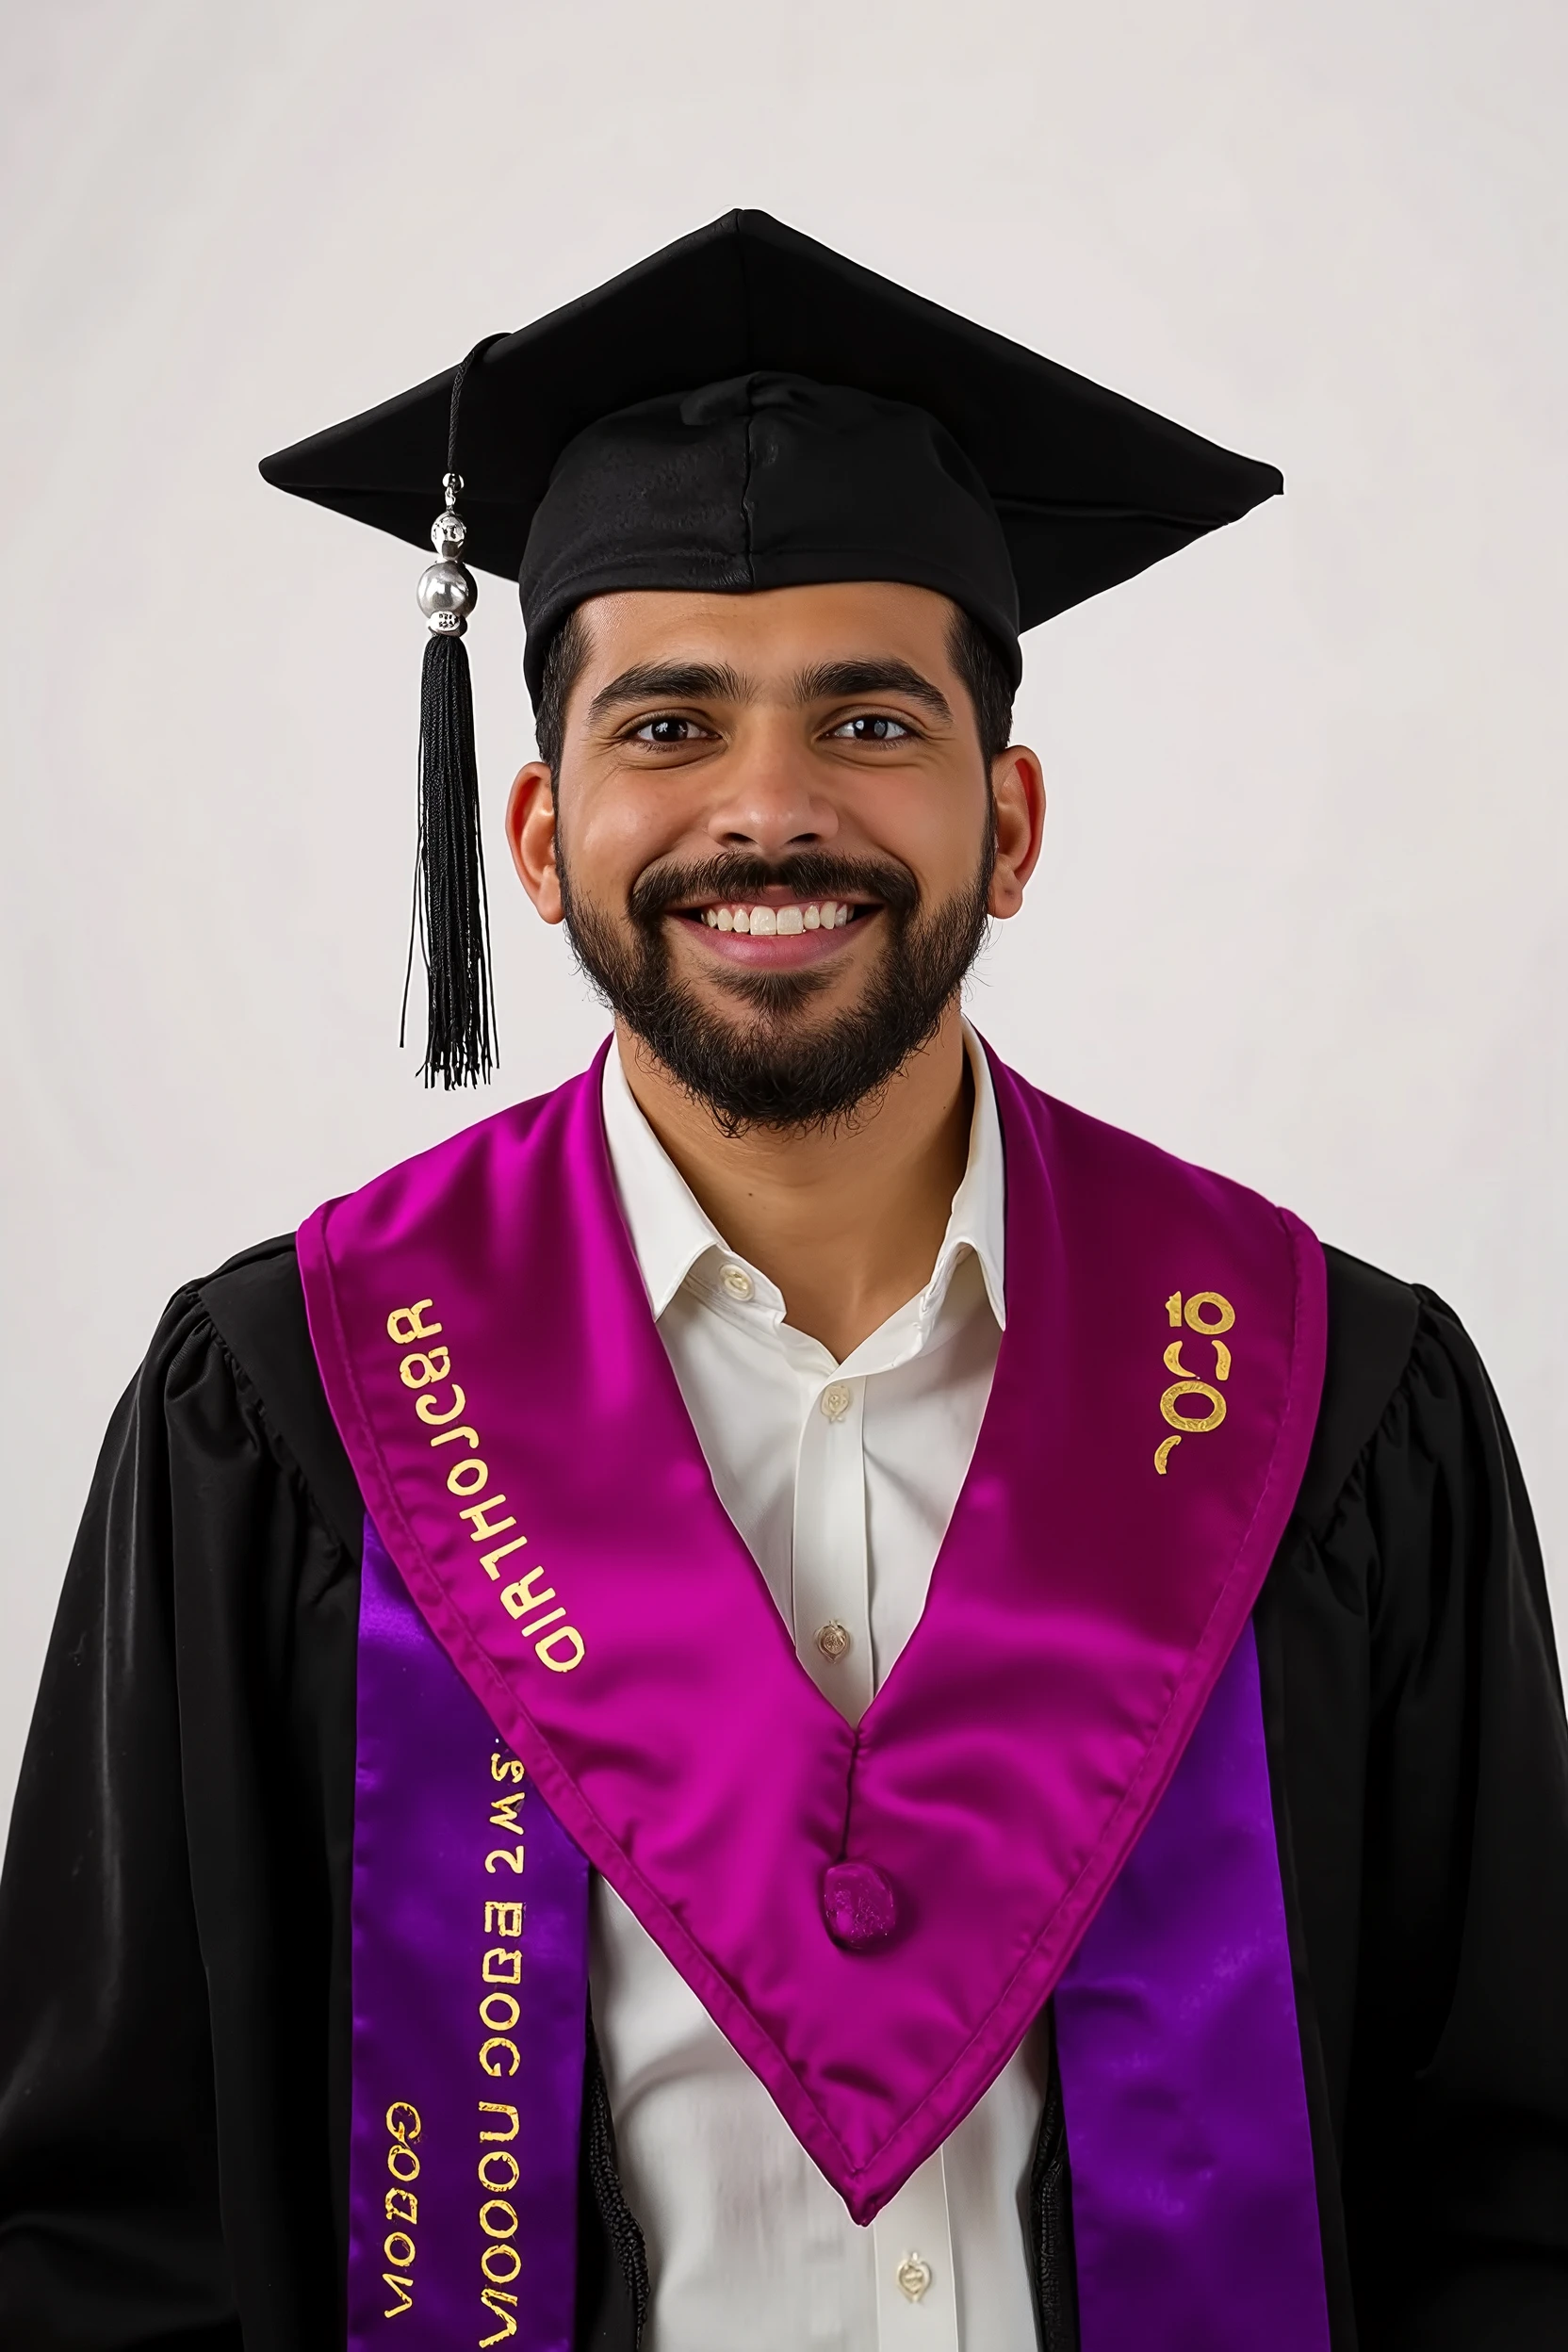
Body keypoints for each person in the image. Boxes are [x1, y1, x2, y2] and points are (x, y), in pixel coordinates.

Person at [0, 209, 1564, 2352]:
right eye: (666, 729)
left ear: (1007, 820)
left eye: (866, 723)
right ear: (539, 836)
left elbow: (1508, 2190)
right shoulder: (291, 1413)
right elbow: (108, 2235)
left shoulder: (1328, 1405)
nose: (767, 808)